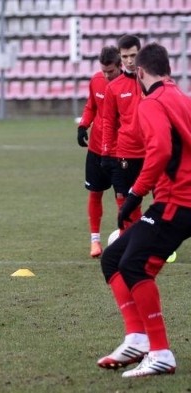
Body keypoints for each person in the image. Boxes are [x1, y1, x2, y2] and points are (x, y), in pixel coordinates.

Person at [97, 42, 185, 378]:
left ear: (140, 72)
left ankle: (160, 351)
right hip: (179, 198)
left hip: (178, 200)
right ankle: (137, 338)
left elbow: (161, 150)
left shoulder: (152, 102)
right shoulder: (182, 97)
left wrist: (135, 193)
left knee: (134, 265)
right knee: (113, 259)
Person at [77, 46, 122, 258]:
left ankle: (126, 237)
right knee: (95, 193)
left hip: (121, 150)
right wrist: (83, 125)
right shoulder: (96, 80)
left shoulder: (131, 85)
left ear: (120, 65)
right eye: (103, 70)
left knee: (123, 197)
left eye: (110, 71)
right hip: (96, 149)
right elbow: (91, 106)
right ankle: (94, 241)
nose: (106, 75)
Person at [100, 35, 144, 232]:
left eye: (133, 55)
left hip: (153, 150)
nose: (129, 60)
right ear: (120, 57)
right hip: (126, 152)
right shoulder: (113, 88)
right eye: (125, 56)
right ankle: (130, 242)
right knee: (124, 201)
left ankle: (159, 244)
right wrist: (106, 152)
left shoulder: (153, 82)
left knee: (163, 199)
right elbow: (108, 122)